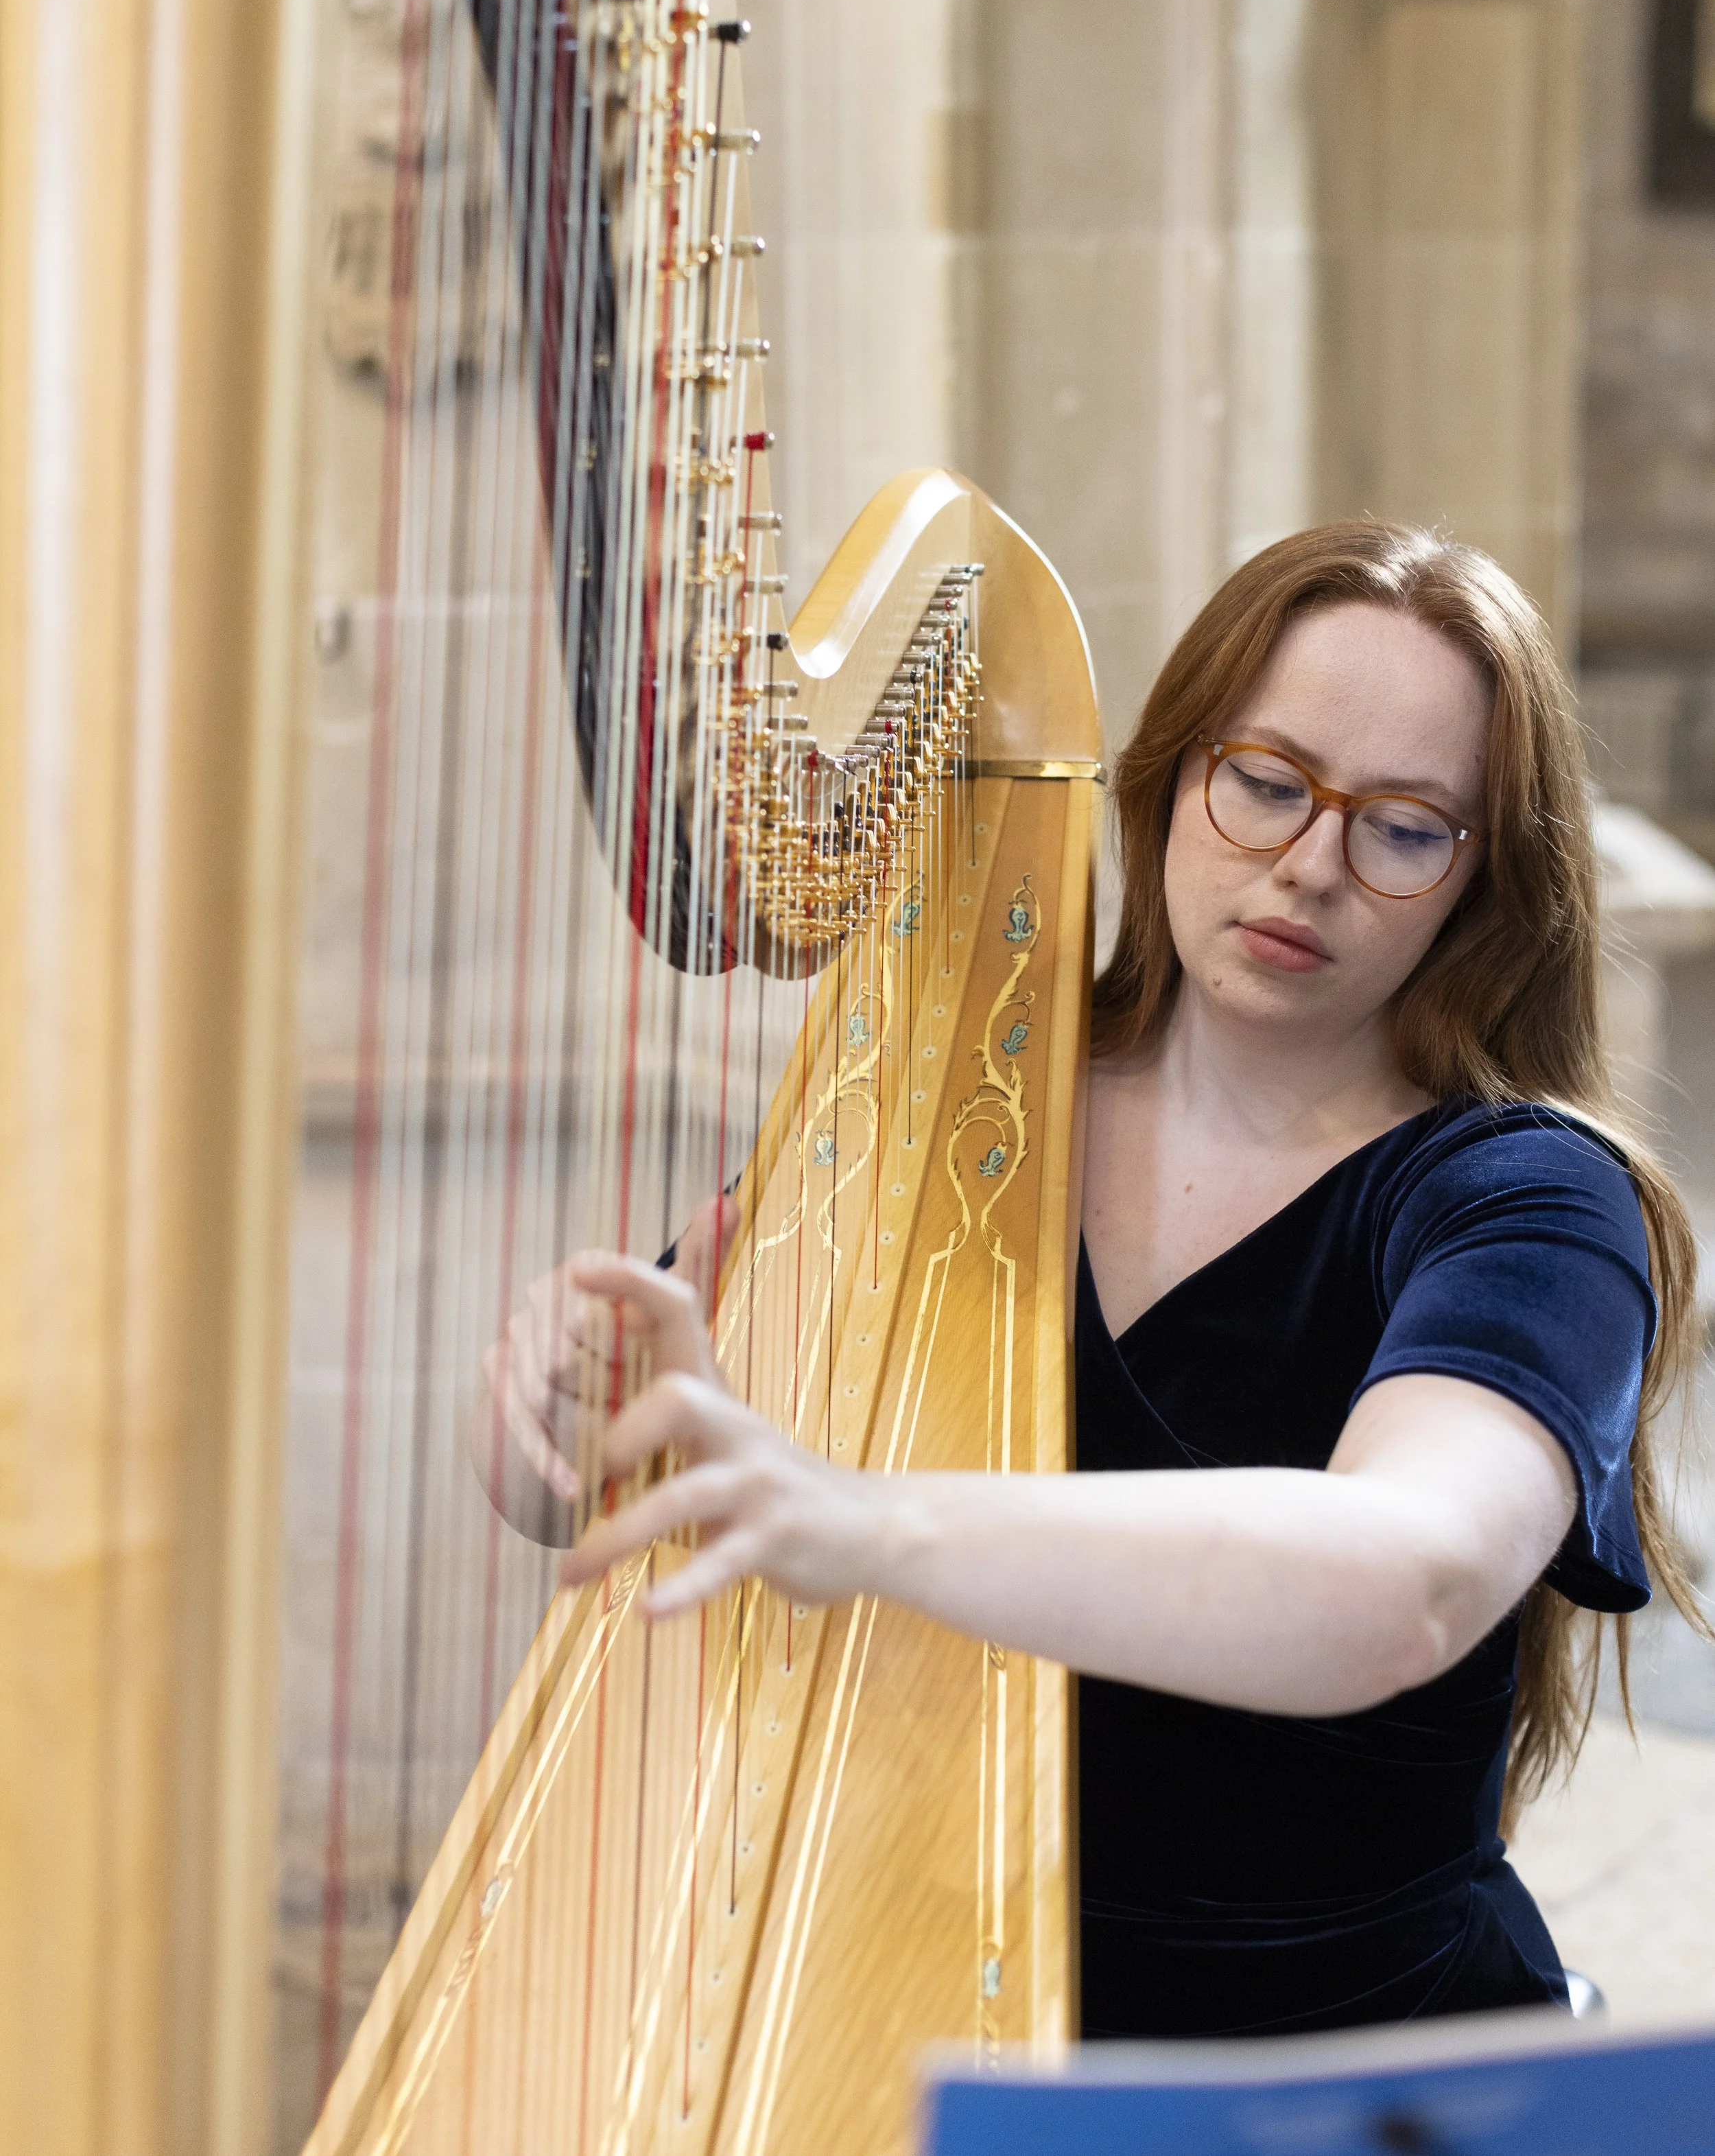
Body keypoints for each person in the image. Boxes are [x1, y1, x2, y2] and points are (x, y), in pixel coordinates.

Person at [472, 522, 1707, 2038]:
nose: (1307, 863)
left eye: (1400, 826)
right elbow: (608, 1481)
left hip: (1335, 2063)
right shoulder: (947, 1113)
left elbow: (1410, 1574)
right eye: (1266, 781)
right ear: (1171, 776)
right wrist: (554, 1399)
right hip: (900, 1995)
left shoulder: (1528, 1204)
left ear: (1479, 883)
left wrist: (857, 1518)